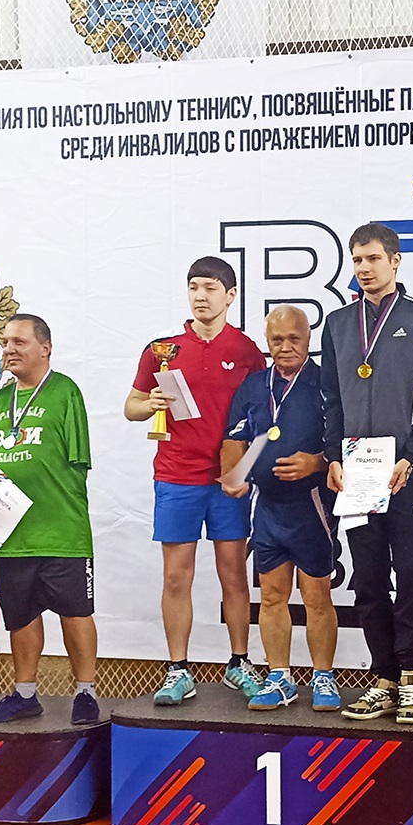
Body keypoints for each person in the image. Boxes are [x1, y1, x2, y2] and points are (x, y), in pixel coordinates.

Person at [321, 222, 413, 724]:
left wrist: (411, 456)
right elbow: (331, 400)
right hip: (357, 475)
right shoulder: (338, 324)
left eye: (373, 259)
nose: (364, 269)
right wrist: (333, 456)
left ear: (395, 261)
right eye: (357, 260)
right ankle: (383, 677)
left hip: (408, 473)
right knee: (368, 578)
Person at [124, 256, 268, 705]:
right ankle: (178, 670)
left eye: (210, 288)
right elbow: (131, 407)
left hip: (228, 481)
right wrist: (149, 404)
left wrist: (244, 471)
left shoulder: (247, 351)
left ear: (230, 295)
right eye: (194, 287)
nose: (201, 296)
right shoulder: (162, 349)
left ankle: (239, 662)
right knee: (175, 577)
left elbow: (263, 421)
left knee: (234, 574)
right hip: (176, 476)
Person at [0, 314, 100, 725]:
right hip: (9, 534)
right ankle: (25, 694)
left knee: (75, 613)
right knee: (20, 616)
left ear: (45, 347)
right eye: (5, 342)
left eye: (19, 342)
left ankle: (86, 692)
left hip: (61, 531)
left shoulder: (64, 392)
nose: (9, 349)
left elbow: (78, 463)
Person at [220, 305, 340, 712]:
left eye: (294, 339)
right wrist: (233, 475)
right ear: (267, 343)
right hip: (267, 508)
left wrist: (317, 462)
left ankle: (323, 675)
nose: (285, 347)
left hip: (312, 506)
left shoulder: (327, 383)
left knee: (316, 596)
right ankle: (280, 676)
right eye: (277, 340)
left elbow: (346, 440)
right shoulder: (255, 385)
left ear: (308, 339)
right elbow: (235, 438)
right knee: (271, 596)